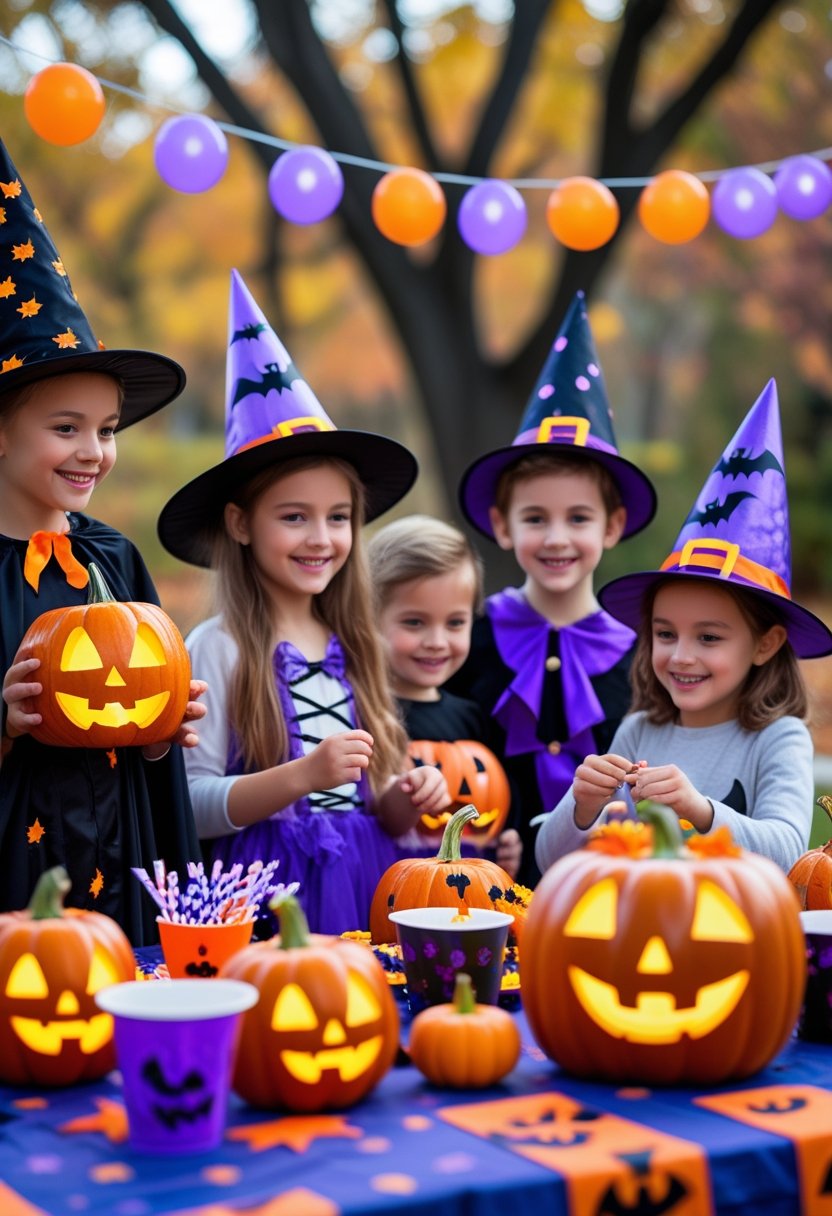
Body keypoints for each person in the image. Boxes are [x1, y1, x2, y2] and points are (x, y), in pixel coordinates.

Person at [157, 271, 449, 935]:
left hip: (366, 882)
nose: (322, 538)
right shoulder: (218, 646)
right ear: (240, 524)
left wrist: (408, 799)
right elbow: (191, 804)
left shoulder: (358, 645)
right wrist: (302, 775)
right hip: (263, 896)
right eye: (294, 517)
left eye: (339, 517)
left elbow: (376, 806)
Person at [0, 138, 205, 944]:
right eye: (66, 428)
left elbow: (146, 741)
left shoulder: (113, 559)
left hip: (120, 856)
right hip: (16, 869)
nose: (94, 452)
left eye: (108, 430)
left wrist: (163, 737)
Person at [536, 379, 832, 875]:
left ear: (766, 643)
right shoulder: (638, 732)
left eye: (709, 637)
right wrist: (581, 805)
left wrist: (702, 810)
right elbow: (552, 863)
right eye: (665, 633)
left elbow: (789, 855)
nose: (680, 655)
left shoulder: (777, 739)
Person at [449, 292, 657, 885]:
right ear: (501, 524)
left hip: (609, 886)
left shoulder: (640, 651)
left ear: (613, 526)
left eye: (579, 519)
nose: (556, 537)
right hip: (481, 884)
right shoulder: (471, 633)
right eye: (535, 518)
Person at [367, 514, 521, 876]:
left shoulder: (474, 719)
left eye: (455, 623)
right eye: (414, 622)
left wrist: (501, 852)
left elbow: (486, 813)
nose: (436, 642)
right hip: (381, 893)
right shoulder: (364, 713)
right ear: (369, 618)